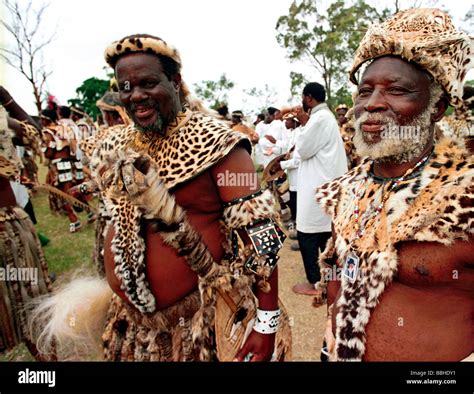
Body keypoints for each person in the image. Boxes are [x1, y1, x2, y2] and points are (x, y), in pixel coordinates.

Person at [32, 34, 291, 362]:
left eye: (148, 83)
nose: (136, 96)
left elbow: (261, 238)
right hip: (133, 329)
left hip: (200, 327)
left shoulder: (218, 145)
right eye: (126, 87)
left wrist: (266, 325)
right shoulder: (117, 144)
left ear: (176, 81)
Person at [317, 8, 473, 361]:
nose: (371, 105)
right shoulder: (346, 191)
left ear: (437, 107)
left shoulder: (464, 197)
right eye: (364, 91)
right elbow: (339, 275)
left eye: (396, 91)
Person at [0, 86, 52, 360]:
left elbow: (33, 133)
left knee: (31, 308)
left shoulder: (2, 124)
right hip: (8, 227)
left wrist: (5, 97)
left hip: (9, 229)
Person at [291, 82, 347, 297]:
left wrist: (304, 124)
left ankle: (315, 283)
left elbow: (303, 149)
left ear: (309, 98)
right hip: (324, 188)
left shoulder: (318, 119)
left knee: (307, 234)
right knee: (325, 235)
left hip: (317, 188)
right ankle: (328, 281)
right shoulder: (325, 118)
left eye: (303, 98)